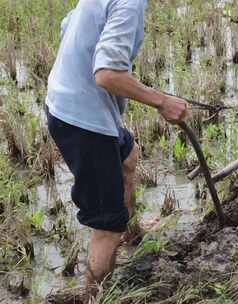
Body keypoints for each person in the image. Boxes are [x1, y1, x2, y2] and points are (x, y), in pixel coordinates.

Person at [45, 0, 188, 300]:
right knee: (107, 226)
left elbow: (67, 25)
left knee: (129, 155)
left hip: (67, 102)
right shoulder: (131, 3)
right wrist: (161, 101)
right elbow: (107, 75)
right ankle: (94, 296)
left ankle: (130, 232)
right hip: (84, 122)